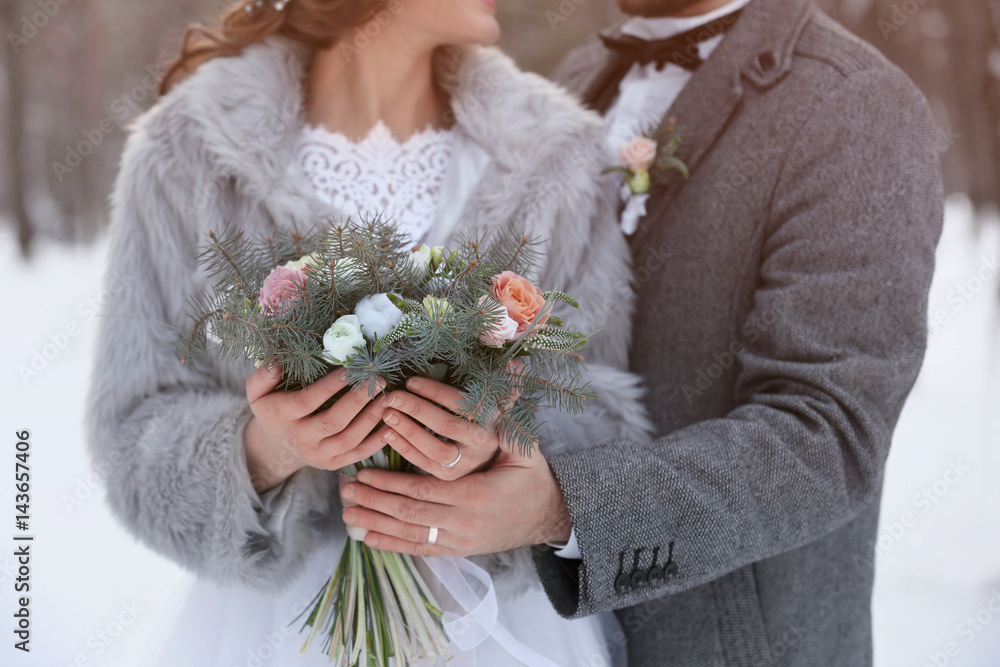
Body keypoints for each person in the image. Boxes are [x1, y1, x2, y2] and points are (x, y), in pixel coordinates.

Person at [340, 0, 945, 664]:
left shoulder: (856, 104)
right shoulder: (577, 78)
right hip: (539, 638)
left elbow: (826, 435)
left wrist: (563, 508)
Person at [84, 0, 652, 664]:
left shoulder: (557, 154)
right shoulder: (187, 150)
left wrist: (503, 460)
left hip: (498, 625)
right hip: (282, 626)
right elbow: (130, 429)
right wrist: (265, 449)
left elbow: (605, 410)